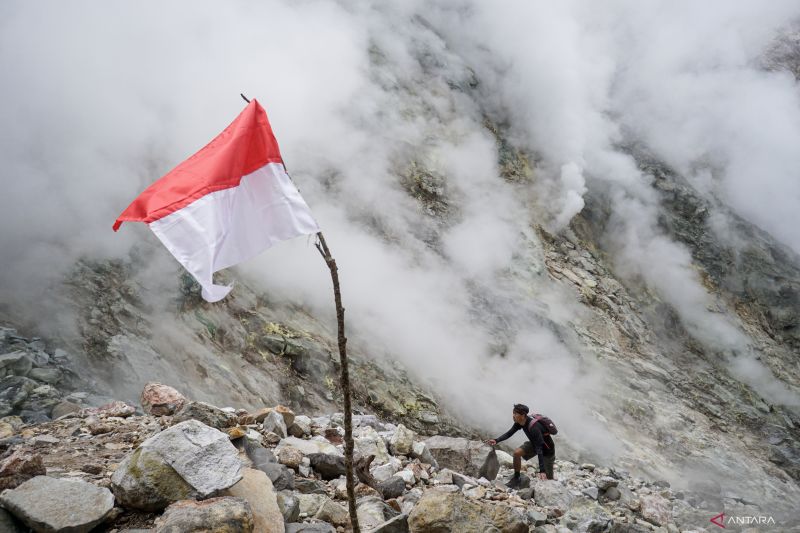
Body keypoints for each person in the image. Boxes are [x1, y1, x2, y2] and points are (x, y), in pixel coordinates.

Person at [486, 403, 555, 487]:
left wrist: (542, 470)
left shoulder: (534, 428)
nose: (513, 416)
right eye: (513, 413)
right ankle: (517, 478)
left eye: (515, 414)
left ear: (523, 416)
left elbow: (539, 449)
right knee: (517, 453)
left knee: (548, 480)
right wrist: (496, 440)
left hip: (547, 450)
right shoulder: (519, 422)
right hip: (534, 443)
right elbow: (509, 433)